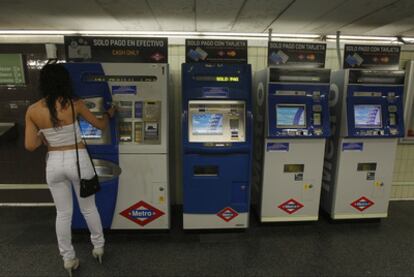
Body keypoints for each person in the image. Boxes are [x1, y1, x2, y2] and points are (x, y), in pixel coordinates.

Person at [24, 63, 115, 276]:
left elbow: (30, 145)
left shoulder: (33, 110)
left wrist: (44, 135)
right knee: (89, 208)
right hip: (78, 161)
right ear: (64, 81)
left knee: (63, 213)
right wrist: (109, 114)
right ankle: (98, 246)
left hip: (54, 163)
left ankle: (68, 258)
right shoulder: (75, 104)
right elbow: (100, 125)